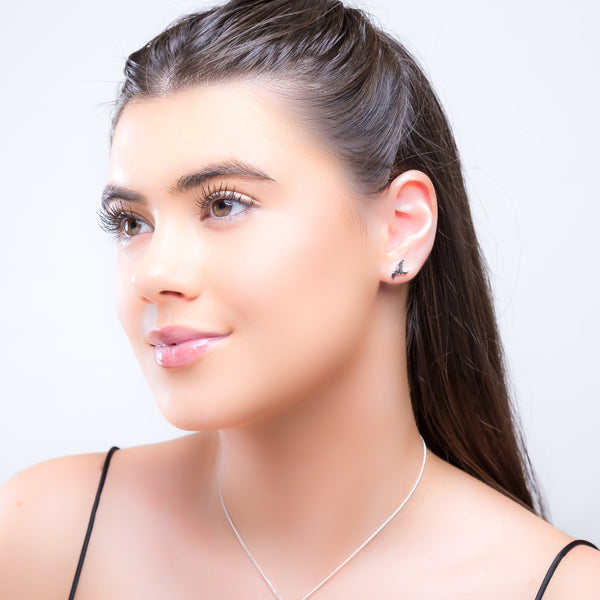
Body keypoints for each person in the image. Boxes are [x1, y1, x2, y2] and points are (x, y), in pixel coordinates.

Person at [0, 0, 598, 598]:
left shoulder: (558, 587)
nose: (153, 274)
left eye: (224, 204)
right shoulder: (45, 537)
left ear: (400, 228)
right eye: (132, 222)